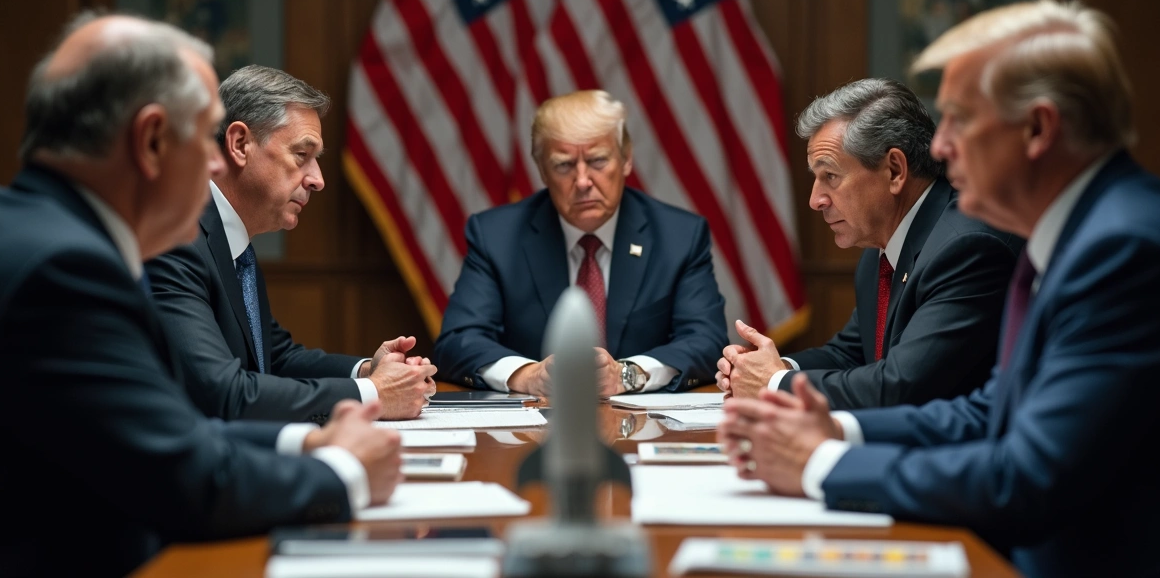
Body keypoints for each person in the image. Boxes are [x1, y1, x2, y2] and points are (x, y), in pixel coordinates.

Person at [719, 0, 1160, 577]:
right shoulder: (1075, 231)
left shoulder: (1122, 249)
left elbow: (1026, 478)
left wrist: (821, 464)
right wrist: (839, 427)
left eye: (959, 119)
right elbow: (990, 409)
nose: (939, 146)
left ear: (1038, 128)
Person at [0, 13, 403, 577]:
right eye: (204, 137)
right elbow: (182, 479)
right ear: (152, 140)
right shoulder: (66, 271)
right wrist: (342, 472)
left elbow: (164, 429)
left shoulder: (35, 230)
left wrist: (301, 444)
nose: (213, 165)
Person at [145, 65, 436, 422]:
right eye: (302, 155)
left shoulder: (233, 243)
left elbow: (275, 358)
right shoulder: (176, 241)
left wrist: (367, 371)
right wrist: (373, 394)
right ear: (239, 144)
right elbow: (220, 392)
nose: (318, 180)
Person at [716, 79, 1021, 409]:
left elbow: (901, 385)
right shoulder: (883, 246)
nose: (815, 200)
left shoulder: (967, 247)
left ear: (894, 171)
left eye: (830, 176)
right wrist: (766, 367)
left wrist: (775, 383)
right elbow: (852, 352)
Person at [433, 90, 728, 396]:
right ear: (542, 170)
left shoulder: (678, 236)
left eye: (598, 160)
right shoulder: (496, 236)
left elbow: (706, 340)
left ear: (626, 159)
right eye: (563, 165)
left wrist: (627, 375)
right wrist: (527, 375)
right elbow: (459, 340)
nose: (583, 181)